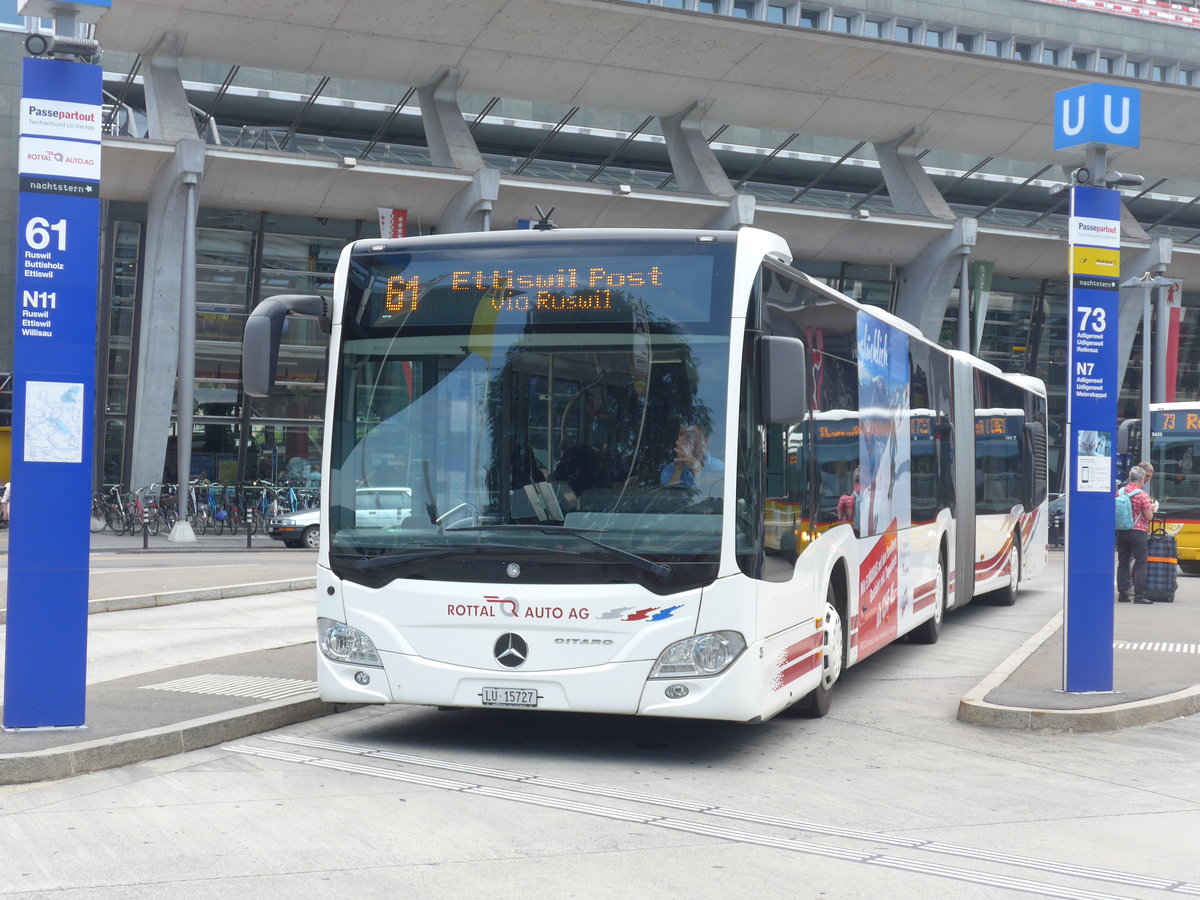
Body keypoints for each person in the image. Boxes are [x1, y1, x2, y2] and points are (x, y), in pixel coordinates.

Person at [1116, 465, 1156, 604]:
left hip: (1122, 531)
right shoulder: (1142, 495)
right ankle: (1139, 596)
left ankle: (1123, 595)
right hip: (1138, 532)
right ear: (1141, 479)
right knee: (1141, 564)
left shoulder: (1120, 492)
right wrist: (1152, 508)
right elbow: (1149, 516)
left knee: (1123, 562)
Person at [660, 422, 723, 489]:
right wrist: (679, 466)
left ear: (706, 441)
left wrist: (695, 467)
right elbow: (668, 496)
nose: (684, 439)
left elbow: (711, 492)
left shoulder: (719, 468)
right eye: (681, 435)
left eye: (690, 435)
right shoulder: (669, 469)